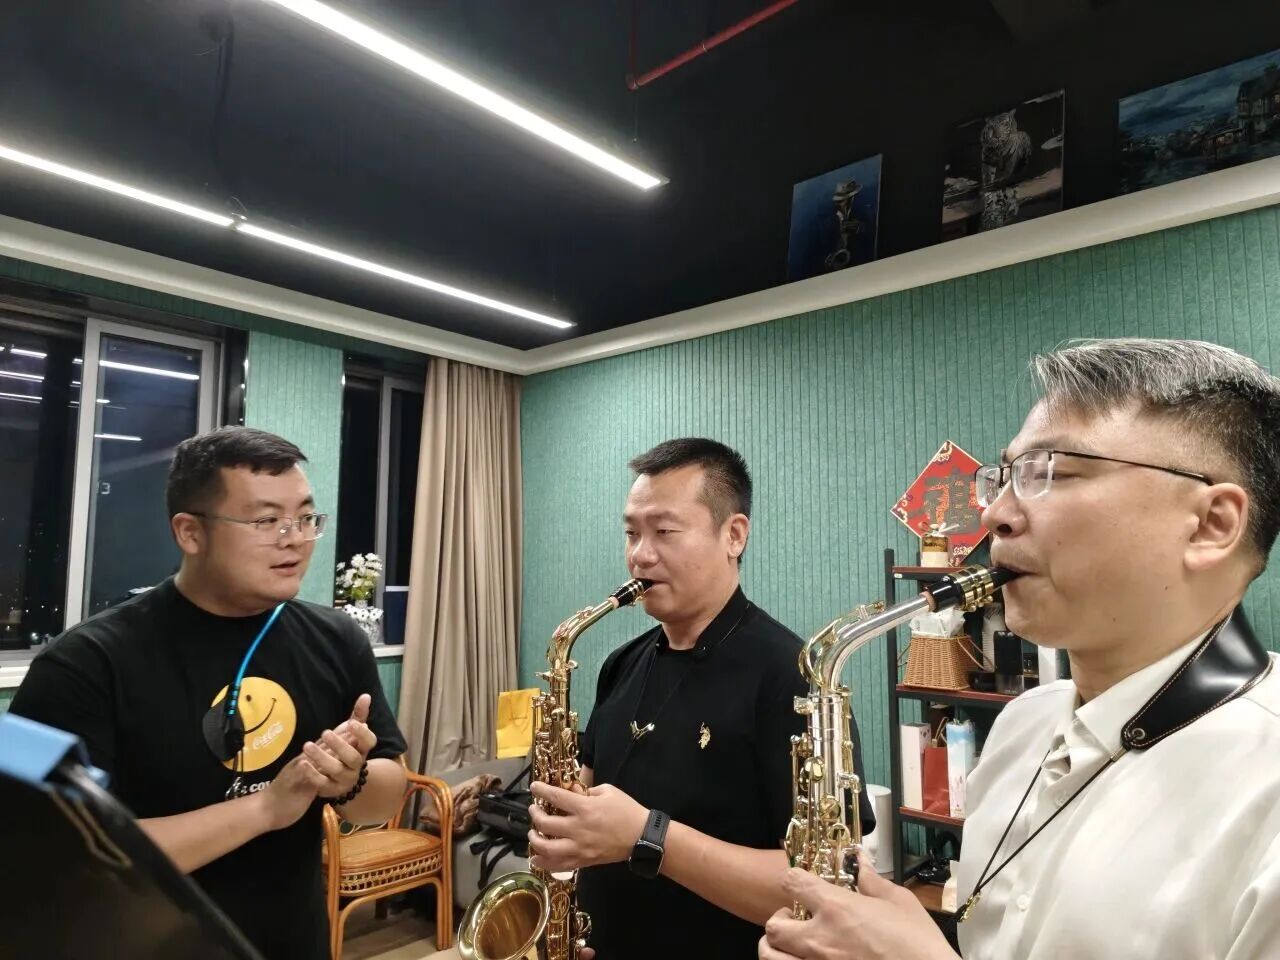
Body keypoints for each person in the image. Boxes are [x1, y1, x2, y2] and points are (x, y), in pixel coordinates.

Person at [760, 337, 1280, 960]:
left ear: (1211, 524)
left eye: (1051, 472)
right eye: (1004, 477)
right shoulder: (1020, 725)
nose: (995, 516)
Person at [11, 426, 408, 960]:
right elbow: (57, 861)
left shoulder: (336, 639)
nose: (294, 539)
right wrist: (265, 808)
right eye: (266, 521)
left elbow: (388, 791)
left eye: (305, 518)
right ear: (190, 533)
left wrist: (349, 780)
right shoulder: (84, 663)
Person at [528, 437, 874, 960]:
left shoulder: (796, 679)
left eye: (664, 532)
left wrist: (649, 837)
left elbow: (828, 887)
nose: (640, 555)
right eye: (631, 533)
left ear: (734, 535)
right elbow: (589, 791)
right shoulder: (619, 663)